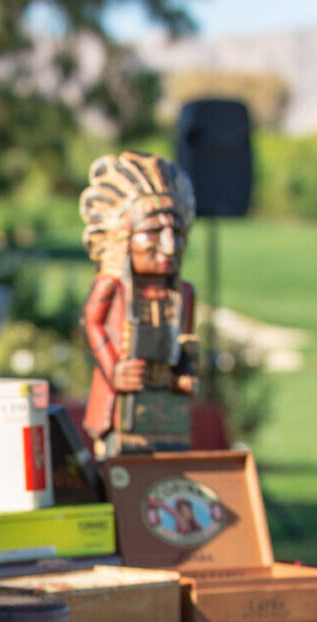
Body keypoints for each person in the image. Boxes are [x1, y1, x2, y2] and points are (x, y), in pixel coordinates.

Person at [78, 150, 199, 458]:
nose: (169, 245)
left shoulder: (183, 294)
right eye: (154, 232)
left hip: (166, 414)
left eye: (177, 233)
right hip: (121, 415)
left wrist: (184, 373)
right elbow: (92, 323)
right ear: (125, 236)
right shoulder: (111, 286)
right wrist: (114, 368)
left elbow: (185, 341)